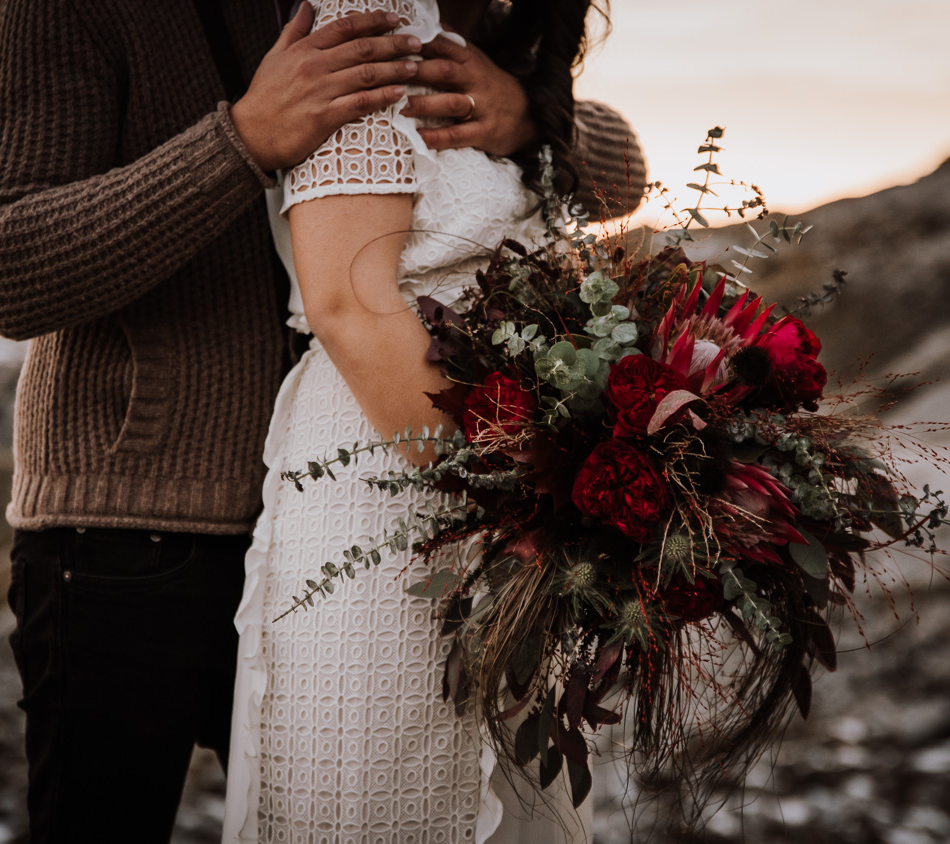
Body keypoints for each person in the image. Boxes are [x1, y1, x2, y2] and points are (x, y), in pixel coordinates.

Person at [0, 1, 644, 842]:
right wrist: (240, 141)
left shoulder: (410, 3)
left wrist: (532, 116)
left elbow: (623, 173)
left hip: (370, 539)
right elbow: (6, 267)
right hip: (127, 538)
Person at [225, 1, 638, 842]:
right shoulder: (363, 17)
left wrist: (531, 115)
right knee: (387, 784)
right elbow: (352, 303)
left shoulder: (491, 37)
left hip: (505, 468)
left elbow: (622, 178)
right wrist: (538, 512)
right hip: (389, 470)